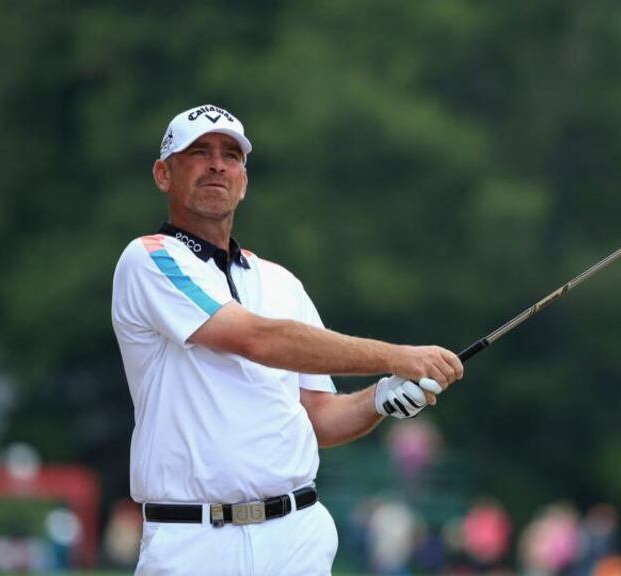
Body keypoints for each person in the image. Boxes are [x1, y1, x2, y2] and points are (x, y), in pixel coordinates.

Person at [111, 103, 464, 575]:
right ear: (163, 174)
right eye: (199, 152)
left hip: (296, 536)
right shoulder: (148, 260)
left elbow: (318, 417)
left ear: (244, 180)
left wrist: (380, 398)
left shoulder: (280, 282)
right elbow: (257, 338)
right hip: (193, 541)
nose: (217, 164)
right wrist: (398, 357)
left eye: (231, 155)